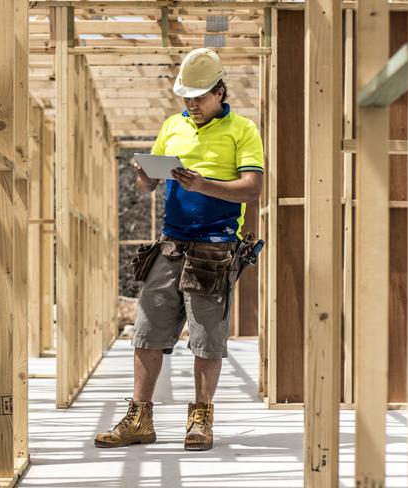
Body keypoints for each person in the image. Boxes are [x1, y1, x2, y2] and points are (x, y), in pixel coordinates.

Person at [95, 48, 264, 451]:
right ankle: (139, 419)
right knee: (146, 332)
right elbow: (148, 187)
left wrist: (202, 184)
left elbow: (253, 188)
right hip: (170, 245)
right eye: (186, 97)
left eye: (200, 97)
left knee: (207, 338)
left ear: (221, 91)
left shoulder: (243, 130)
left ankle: (200, 420)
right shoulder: (173, 124)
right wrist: (145, 176)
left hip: (215, 248)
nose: (191, 104)